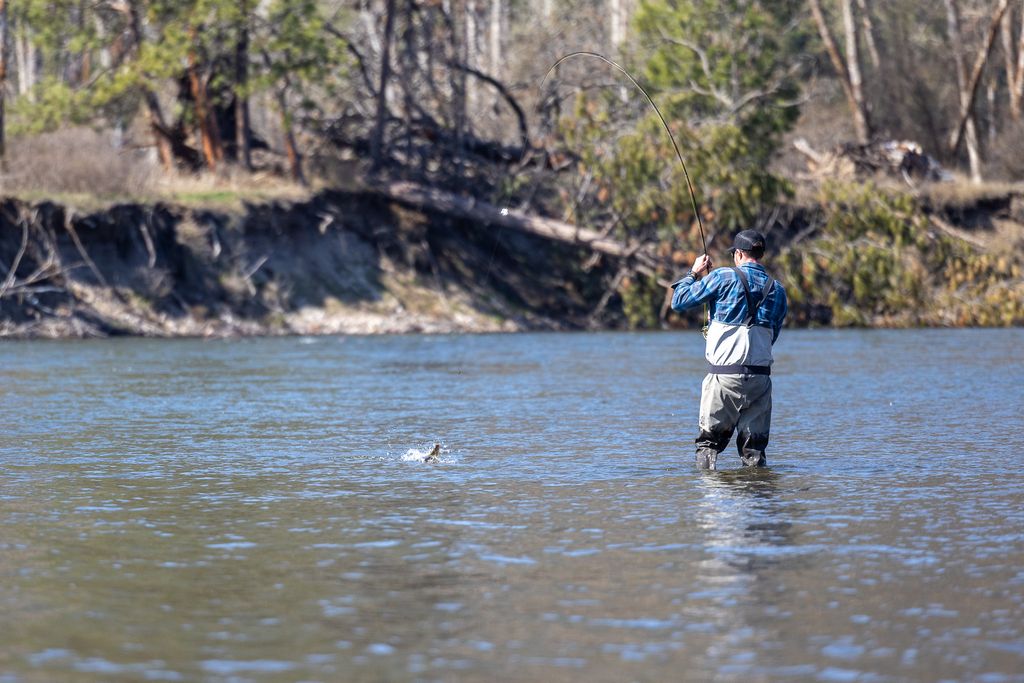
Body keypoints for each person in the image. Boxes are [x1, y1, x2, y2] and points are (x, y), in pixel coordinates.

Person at [670, 229, 788, 469]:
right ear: (760, 254)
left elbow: (678, 301)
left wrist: (693, 273)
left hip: (723, 378)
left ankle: (711, 501)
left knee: (708, 446)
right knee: (754, 453)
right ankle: (758, 501)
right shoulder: (778, 291)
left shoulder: (723, 277)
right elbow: (772, 336)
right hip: (760, 379)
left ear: (739, 254)